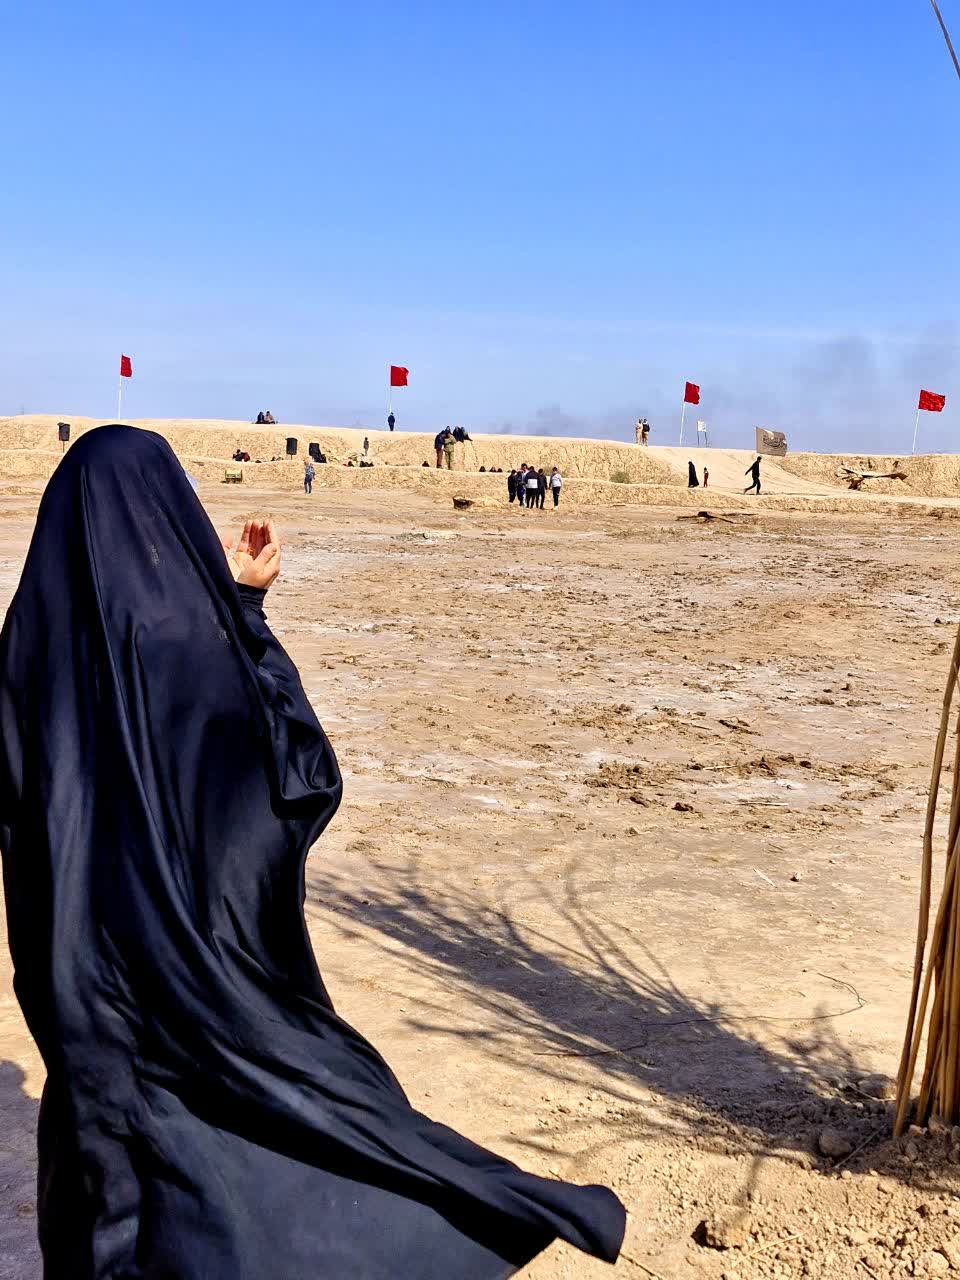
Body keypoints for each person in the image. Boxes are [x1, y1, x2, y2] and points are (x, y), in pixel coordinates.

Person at [0, 427, 625, 1280]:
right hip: (192, 960)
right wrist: (246, 616)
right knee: (215, 1142)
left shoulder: (26, 654)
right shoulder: (190, 643)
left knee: (100, 1144)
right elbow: (296, 778)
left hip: (74, 972)